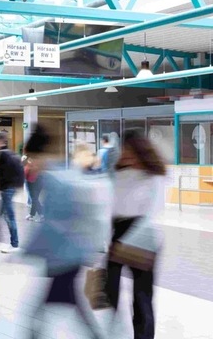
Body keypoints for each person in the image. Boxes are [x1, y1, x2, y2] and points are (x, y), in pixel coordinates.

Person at [23, 125, 110, 339]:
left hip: (65, 256)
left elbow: (53, 224)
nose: (32, 163)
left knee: (39, 312)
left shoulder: (54, 179)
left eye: (33, 158)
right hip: (73, 254)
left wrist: (26, 251)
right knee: (73, 306)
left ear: (41, 155)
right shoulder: (65, 171)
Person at [105, 129, 165, 339]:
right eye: (124, 150)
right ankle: (107, 332)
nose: (126, 154)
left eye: (130, 150)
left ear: (140, 150)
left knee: (141, 296)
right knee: (107, 291)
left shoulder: (154, 177)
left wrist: (125, 243)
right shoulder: (119, 172)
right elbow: (110, 206)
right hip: (117, 230)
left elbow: (153, 210)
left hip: (142, 234)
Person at [0, 132, 24, 253]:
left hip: (6, 190)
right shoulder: (10, 153)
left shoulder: (1, 154)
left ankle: (14, 244)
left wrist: (0, 187)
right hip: (10, 188)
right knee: (1, 215)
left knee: (9, 217)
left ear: (0, 141)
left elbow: (3, 174)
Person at [24, 156, 43, 222]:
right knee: (34, 199)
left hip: (33, 182)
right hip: (35, 181)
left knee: (34, 199)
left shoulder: (32, 163)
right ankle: (32, 214)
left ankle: (42, 215)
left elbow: (26, 172)